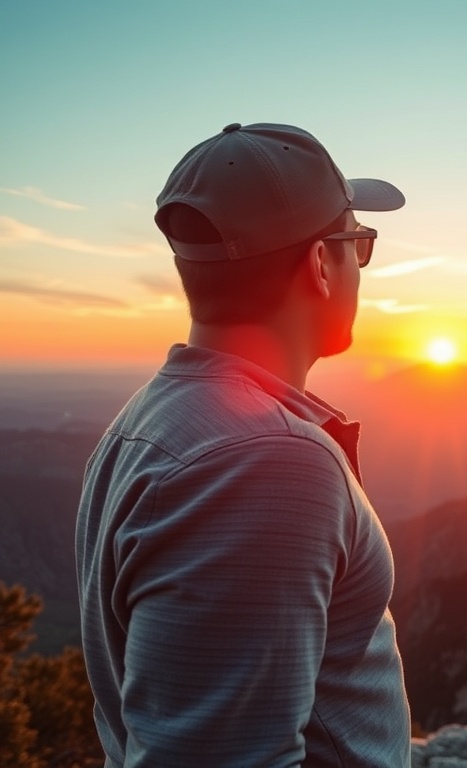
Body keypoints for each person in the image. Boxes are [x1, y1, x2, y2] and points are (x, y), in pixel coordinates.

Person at [76, 122, 411, 767]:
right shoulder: (266, 462)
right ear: (320, 263)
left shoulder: (152, 419)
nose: (360, 267)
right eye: (359, 244)